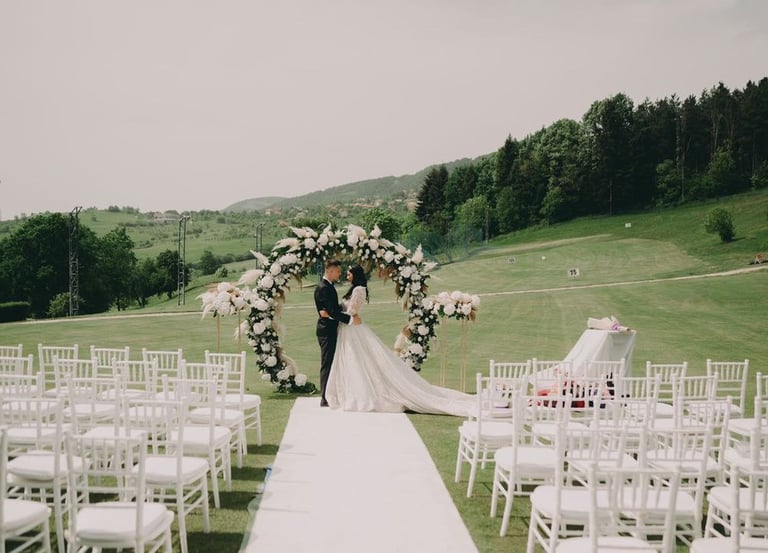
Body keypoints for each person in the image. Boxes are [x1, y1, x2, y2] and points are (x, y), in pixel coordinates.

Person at [324, 264, 475, 416]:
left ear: (355, 275)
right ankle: (351, 391)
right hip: (347, 328)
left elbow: (352, 311)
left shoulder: (359, 290)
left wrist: (335, 314)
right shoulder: (353, 289)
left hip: (352, 328)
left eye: (349, 273)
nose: (347, 275)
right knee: (351, 360)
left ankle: (360, 396)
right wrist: (335, 312)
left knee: (357, 359)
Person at [314, 259, 361, 407]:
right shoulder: (324, 287)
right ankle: (325, 397)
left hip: (330, 328)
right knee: (327, 363)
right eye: (338, 271)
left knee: (332, 362)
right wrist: (351, 320)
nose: (340, 274)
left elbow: (331, 310)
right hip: (326, 331)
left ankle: (330, 393)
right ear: (330, 270)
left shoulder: (328, 286)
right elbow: (331, 312)